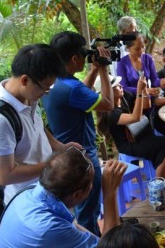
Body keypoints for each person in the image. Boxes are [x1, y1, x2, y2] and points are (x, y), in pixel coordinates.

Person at [0, 44, 79, 205]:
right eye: (44, 88)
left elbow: (36, 127)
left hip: (50, 190)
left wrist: (59, 147)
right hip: (29, 201)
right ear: (25, 80)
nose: (45, 93)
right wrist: (52, 166)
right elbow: (4, 175)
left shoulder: (28, 97)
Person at [42, 31, 115, 236]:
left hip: (64, 157)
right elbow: (108, 105)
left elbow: (79, 92)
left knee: (80, 211)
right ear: (74, 59)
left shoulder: (54, 82)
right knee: (88, 216)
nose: (86, 57)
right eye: (83, 54)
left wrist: (93, 69)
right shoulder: (72, 89)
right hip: (83, 158)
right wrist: (103, 70)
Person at [0, 146, 127, 247]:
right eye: (91, 184)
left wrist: (98, 241)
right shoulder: (49, 228)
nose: (92, 186)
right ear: (77, 194)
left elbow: (71, 227)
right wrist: (110, 192)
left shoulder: (28, 194)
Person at [96, 74, 165, 178]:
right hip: (129, 144)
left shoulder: (124, 96)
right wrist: (139, 92)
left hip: (141, 134)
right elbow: (135, 118)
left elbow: (146, 105)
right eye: (117, 86)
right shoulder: (110, 114)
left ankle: (159, 184)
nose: (121, 86)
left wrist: (144, 90)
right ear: (108, 93)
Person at [116, 32, 165, 99]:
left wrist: (162, 82)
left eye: (143, 47)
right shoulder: (122, 63)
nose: (141, 51)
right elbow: (124, 87)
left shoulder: (148, 59)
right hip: (132, 100)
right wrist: (143, 91)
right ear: (128, 48)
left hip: (147, 98)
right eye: (137, 49)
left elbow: (154, 81)